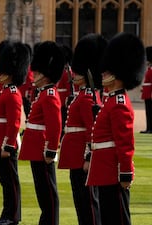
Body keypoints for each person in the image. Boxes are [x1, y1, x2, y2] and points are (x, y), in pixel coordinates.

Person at [86, 32, 145, 225]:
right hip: (104, 169)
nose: (103, 73)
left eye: (108, 71)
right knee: (109, 216)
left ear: (119, 73)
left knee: (118, 218)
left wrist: (125, 172)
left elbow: (125, 143)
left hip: (113, 171)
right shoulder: (110, 101)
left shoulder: (119, 103)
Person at [58, 33, 107, 225]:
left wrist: (88, 157)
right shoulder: (82, 95)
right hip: (75, 157)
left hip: (82, 158)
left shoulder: (88, 98)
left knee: (88, 201)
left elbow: (91, 133)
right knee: (80, 200)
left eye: (77, 72)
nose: (73, 75)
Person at [19, 41, 65, 225]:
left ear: (45, 75)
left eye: (37, 72)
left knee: (48, 192)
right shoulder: (43, 93)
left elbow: (55, 126)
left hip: (42, 150)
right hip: (36, 148)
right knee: (42, 191)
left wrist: (51, 150)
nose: (34, 75)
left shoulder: (50, 95)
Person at [0, 40, 30, 225]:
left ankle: (13, 216)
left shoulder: (12, 93)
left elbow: (14, 123)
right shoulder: (5, 91)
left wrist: (9, 144)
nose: (0, 74)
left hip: (6, 143)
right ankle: (7, 214)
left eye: (3, 71)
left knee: (10, 182)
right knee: (5, 181)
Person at [140, 46, 152, 133]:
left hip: (150, 94)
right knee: (148, 112)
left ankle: (150, 128)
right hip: (147, 93)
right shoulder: (149, 68)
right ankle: (148, 128)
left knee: (150, 112)